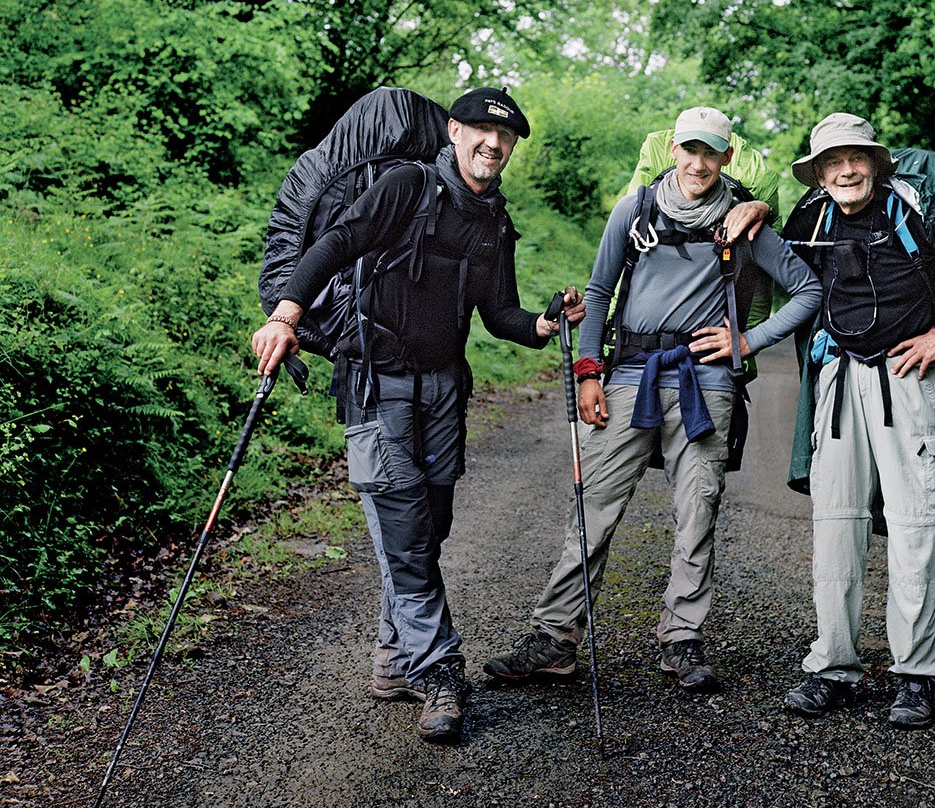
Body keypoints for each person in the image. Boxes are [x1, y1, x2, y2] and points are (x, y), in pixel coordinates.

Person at [252, 86, 583, 745]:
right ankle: (438, 671)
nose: (493, 144)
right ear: (455, 132)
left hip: (442, 391)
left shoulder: (492, 221)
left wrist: (544, 323)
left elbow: (500, 314)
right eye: (481, 131)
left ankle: (392, 662)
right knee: (405, 532)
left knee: (428, 529)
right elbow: (338, 244)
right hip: (378, 385)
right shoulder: (405, 184)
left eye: (506, 136)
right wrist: (286, 314)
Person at [483, 106, 821, 693]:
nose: (698, 162)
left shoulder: (744, 223)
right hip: (628, 374)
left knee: (697, 511)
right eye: (689, 150)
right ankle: (555, 638)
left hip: (706, 384)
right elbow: (597, 288)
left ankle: (681, 639)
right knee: (593, 506)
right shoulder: (635, 208)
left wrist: (746, 341)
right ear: (673, 150)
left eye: (710, 152)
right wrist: (589, 372)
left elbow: (808, 289)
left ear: (726, 157)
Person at [779, 112, 935, 729]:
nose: (845, 170)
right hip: (841, 380)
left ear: (875, 162)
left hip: (913, 379)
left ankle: (917, 675)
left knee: (917, 525)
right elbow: (783, 279)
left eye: (856, 158)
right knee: (836, 523)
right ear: (817, 173)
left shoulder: (918, 214)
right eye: (832, 162)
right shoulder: (807, 221)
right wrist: (754, 214)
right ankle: (832, 666)